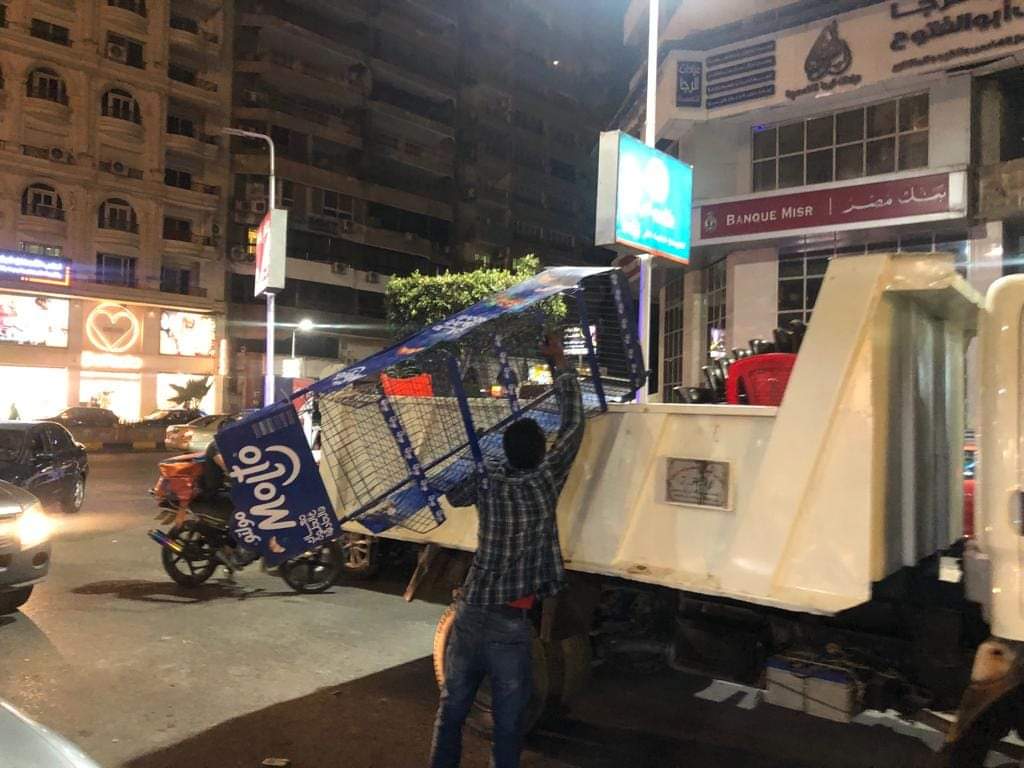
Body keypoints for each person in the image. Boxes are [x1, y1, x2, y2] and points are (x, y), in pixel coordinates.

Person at [429, 332, 584, 768]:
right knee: (509, 720)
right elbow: (574, 426)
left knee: (453, 708)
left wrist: (478, 457)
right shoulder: (545, 480)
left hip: (470, 612)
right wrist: (560, 363)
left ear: (507, 451)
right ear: (540, 453)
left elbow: (454, 494)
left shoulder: (490, 480)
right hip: (509, 624)